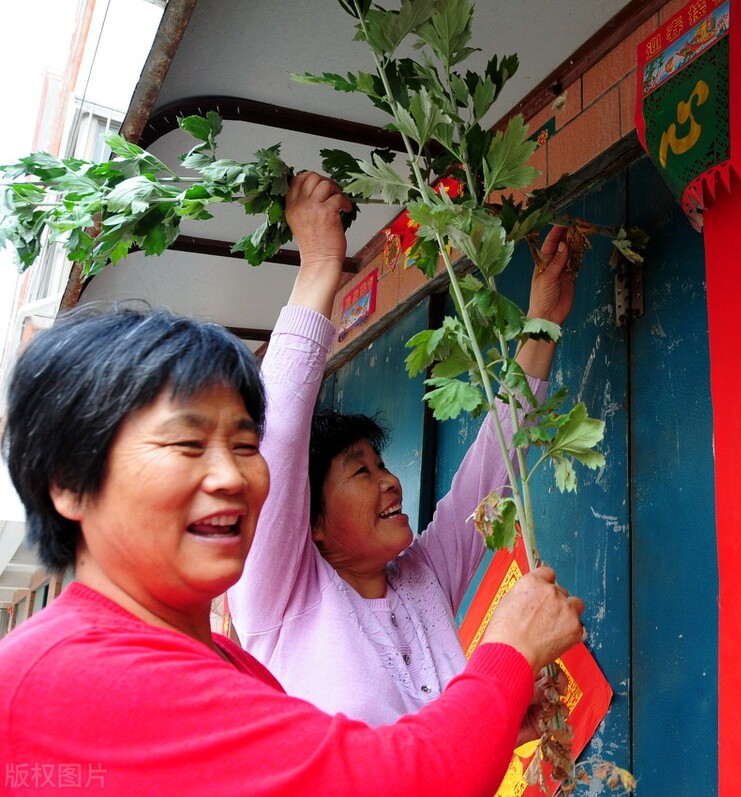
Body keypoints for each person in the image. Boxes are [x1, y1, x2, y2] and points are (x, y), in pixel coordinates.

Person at [0, 302, 585, 796]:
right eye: (186, 443)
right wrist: (507, 654)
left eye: (242, 446)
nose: (230, 476)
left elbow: (489, 473)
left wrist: (541, 319)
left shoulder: (239, 670)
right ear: (69, 483)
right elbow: (395, 780)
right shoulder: (51, 679)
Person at [226, 172, 576, 727]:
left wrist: (541, 326)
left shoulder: (421, 579)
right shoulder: (280, 594)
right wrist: (320, 264)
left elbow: (491, 471)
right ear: (310, 521)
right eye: (361, 472)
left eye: (382, 464)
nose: (390, 480)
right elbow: (279, 437)